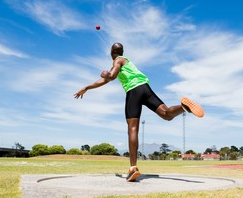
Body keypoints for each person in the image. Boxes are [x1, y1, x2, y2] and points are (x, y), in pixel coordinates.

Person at [74, 42, 204, 182]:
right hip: (145, 88)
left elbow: (110, 76)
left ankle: (133, 168)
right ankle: (184, 107)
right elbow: (105, 80)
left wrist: (106, 73)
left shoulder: (117, 61)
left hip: (133, 92)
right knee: (166, 114)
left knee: (133, 129)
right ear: (122, 51)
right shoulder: (125, 61)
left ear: (111, 52)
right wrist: (87, 87)